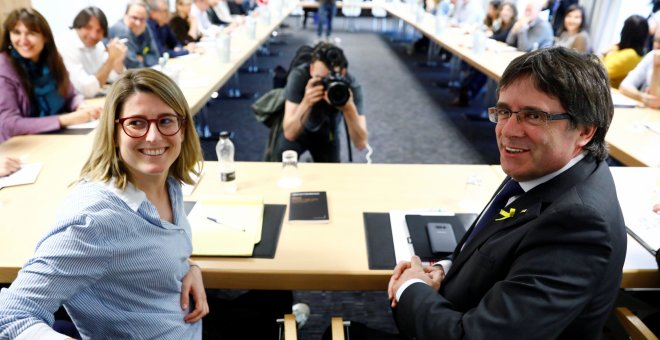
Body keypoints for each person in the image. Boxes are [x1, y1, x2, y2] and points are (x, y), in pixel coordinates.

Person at [388, 47, 626, 339]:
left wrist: (411, 288)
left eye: (533, 116)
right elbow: (494, 248)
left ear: (585, 131)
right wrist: (444, 269)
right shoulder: (545, 167)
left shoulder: (578, 224)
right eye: (504, 111)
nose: (508, 130)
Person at [0, 68, 209, 338]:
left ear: (183, 129)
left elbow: (150, 250)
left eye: (166, 121)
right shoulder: (97, 221)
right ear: (114, 133)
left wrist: (189, 267)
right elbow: (11, 314)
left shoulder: (166, 180)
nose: (153, 137)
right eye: (136, 123)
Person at [0, 8, 101, 143]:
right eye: (16, 33)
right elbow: (8, 124)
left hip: (55, 138)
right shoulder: (4, 67)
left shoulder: (53, 59)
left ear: (45, 36)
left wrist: (81, 106)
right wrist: (67, 120)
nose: (23, 40)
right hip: (20, 146)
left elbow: (71, 95)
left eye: (31, 33)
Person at [273, 42, 368, 162]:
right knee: (282, 160)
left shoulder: (350, 86)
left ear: (343, 73)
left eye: (331, 79)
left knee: (331, 177)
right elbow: (290, 133)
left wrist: (348, 108)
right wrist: (306, 102)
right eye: (320, 79)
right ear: (311, 69)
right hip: (300, 130)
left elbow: (361, 143)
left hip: (328, 133)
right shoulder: (299, 76)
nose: (326, 84)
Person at [57, 7, 127, 98]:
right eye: (88, 28)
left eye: (99, 31)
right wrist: (111, 59)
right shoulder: (65, 44)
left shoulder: (98, 45)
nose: (93, 35)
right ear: (78, 26)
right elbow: (86, 90)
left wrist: (118, 59)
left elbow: (115, 78)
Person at [109, 1, 161, 68]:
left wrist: (143, 59)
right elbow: (134, 66)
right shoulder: (121, 30)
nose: (138, 23)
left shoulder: (145, 27)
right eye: (134, 18)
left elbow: (156, 56)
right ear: (125, 16)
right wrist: (143, 59)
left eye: (142, 19)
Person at [601, 15, 648, 89]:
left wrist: (603, 54)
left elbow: (599, 73)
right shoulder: (626, 51)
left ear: (626, 32)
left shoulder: (630, 55)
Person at [619, 29, 660, 109]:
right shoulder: (651, 56)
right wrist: (642, 97)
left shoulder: (655, 60)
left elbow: (655, 103)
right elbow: (624, 86)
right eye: (656, 40)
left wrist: (656, 66)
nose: (658, 46)